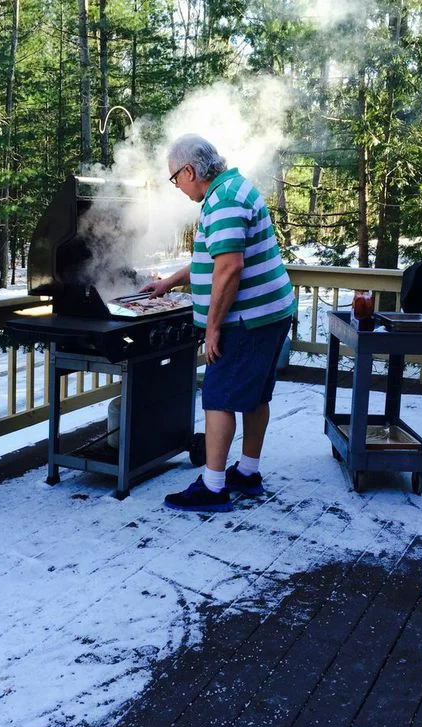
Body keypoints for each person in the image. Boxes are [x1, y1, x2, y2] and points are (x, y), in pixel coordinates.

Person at [144, 134, 296, 513]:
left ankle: (213, 488)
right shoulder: (231, 188)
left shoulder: (224, 200)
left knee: (218, 398)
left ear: (190, 170)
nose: (176, 187)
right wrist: (169, 282)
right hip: (269, 314)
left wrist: (212, 329)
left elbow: (229, 269)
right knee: (256, 395)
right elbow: (213, 260)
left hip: (246, 322)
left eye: (174, 178)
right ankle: (247, 472)